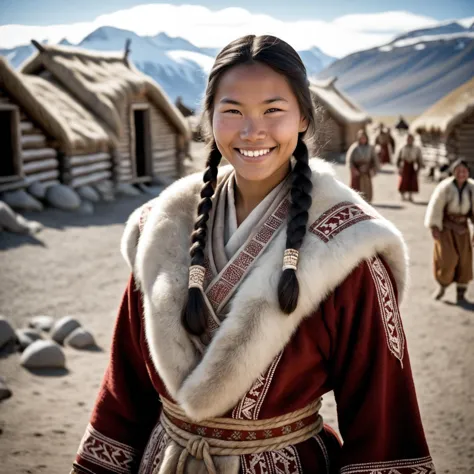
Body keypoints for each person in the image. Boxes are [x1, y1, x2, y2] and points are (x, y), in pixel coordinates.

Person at [71, 35, 434, 474]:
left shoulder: (348, 250)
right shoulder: (161, 231)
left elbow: (382, 415)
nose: (252, 130)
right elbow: (123, 389)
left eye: (273, 110)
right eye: (232, 110)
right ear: (209, 118)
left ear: (303, 117)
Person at [425, 159, 474, 303]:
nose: (461, 174)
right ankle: (442, 286)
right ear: (453, 172)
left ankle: (461, 294)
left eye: (464, 171)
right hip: (446, 229)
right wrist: (435, 226)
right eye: (458, 171)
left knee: (464, 262)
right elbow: (436, 207)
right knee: (448, 260)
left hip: (463, 230)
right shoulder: (445, 187)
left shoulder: (472, 188)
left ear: (468, 173)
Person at [346, 129, 379, 202]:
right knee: (356, 188)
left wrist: (374, 169)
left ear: (367, 138)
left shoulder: (370, 148)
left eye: (364, 138)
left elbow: (375, 159)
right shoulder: (354, 147)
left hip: (367, 171)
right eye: (361, 138)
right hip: (357, 170)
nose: (363, 139)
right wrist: (354, 169)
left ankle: (367, 201)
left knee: (367, 186)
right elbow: (349, 160)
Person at [397, 133, 424, 202]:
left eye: (411, 139)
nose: (409, 140)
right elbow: (398, 158)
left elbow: (419, 158)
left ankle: (410, 195)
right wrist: (398, 167)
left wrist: (419, 167)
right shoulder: (402, 147)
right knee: (403, 180)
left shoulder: (416, 148)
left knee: (412, 181)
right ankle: (402, 195)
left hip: (412, 165)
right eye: (408, 139)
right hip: (404, 165)